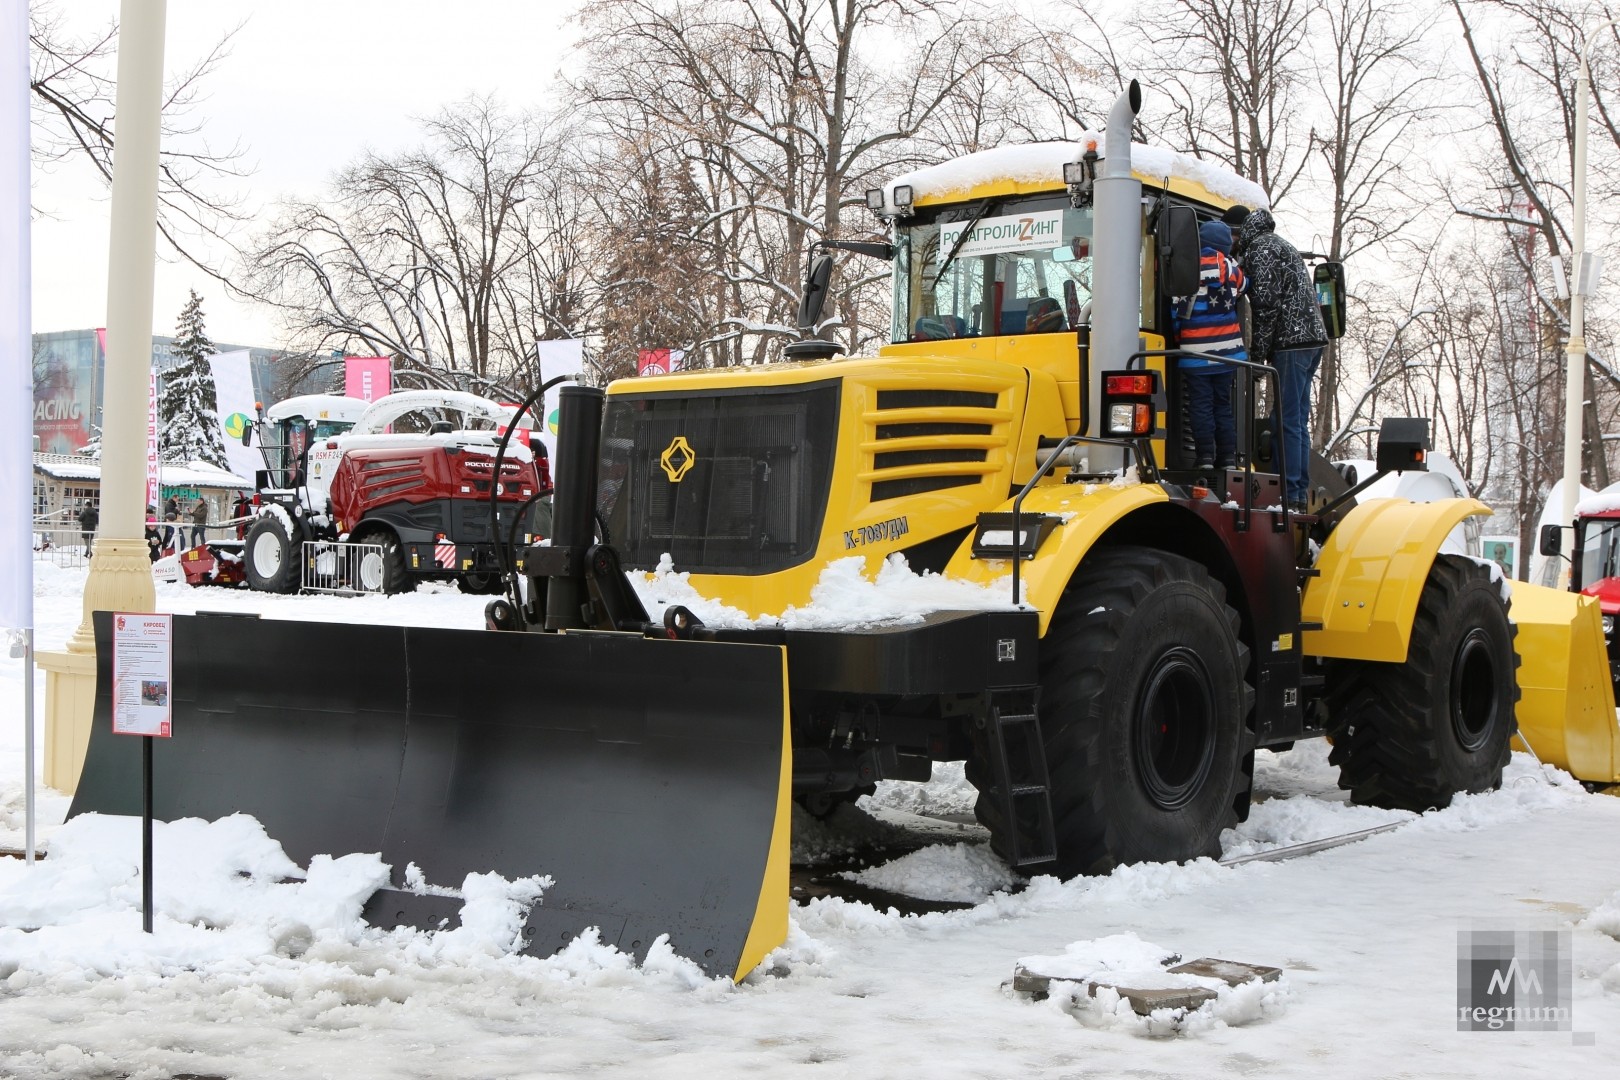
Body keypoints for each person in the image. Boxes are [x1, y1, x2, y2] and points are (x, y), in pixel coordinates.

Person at [1238, 208, 1328, 512]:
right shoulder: (1280, 244)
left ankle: (1289, 493)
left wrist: (1256, 358)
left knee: (1288, 420)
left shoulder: (1260, 250)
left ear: (1242, 232)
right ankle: (1295, 488)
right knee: (1292, 419)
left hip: (1291, 342)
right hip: (1312, 339)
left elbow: (1266, 306)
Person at [1171, 220, 1247, 472]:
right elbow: (1246, 286)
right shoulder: (1231, 269)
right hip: (1227, 355)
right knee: (1222, 405)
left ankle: (1204, 458)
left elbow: (1176, 310)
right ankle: (1227, 459)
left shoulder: (1186, 268)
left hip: (1195, 353)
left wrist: (1178, 339)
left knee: (1200, 405)